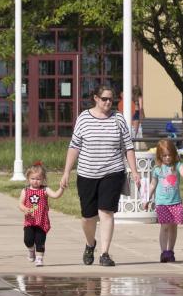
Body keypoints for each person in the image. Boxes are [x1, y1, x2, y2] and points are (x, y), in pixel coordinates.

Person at [57, 83, 137, 267]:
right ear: (96, 98)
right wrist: (66, 172)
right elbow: (74, 146)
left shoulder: (118, 119)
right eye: (104, 99)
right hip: (87, 172)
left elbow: (129, 147)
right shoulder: (84, 118)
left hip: (112, 171)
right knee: (88, 216)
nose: (108, 102)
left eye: (111, 99)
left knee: (106, 212)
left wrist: (135, 171)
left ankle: (105, 253)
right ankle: (90, 243)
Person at [18, 162, 62, 267]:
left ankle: (39, 258)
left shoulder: (45, 190)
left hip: (41, 221)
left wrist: (62, 188)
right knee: (28, 240)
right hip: (30, 221)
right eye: (33, 179)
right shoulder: (25, 191)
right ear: (28, 178)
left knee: (40, 240)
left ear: (43, 179)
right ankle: (31, 250)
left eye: (38, 179)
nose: (35, 181)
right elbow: (20, 203)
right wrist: (24, 208)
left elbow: (55, 195)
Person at [151, 139, 183, 262]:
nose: (167, 158)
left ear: (174, 154)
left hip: (175, 202)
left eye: (169, 155)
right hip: (162, 203)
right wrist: (148, 197)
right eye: (164, 155)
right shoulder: (157, 168)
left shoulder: (177, 165)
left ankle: (170, 250)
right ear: (159, 156)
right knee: (164, 226)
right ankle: (163, 252)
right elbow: (153, 184)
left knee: (173, 227)